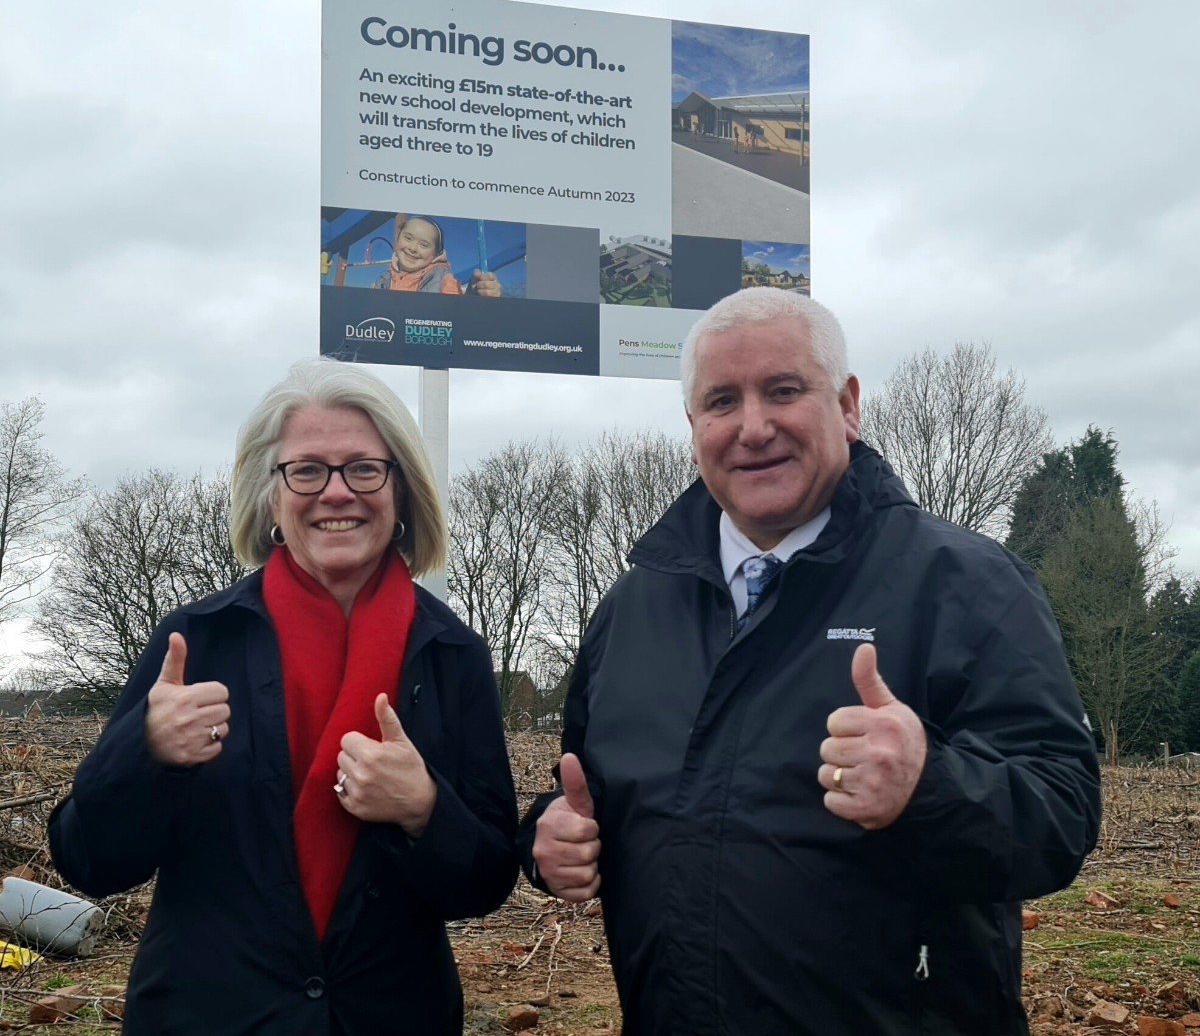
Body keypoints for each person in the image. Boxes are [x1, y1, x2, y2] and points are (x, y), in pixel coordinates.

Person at [519, 289, 1102, 1035]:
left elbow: (1062, 813)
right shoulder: (632, 607)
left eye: (784, 390)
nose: (753, 426)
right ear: (694, 426)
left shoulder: (966, 583)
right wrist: (548, 837)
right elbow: (581, 797)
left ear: (848, 404)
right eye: (722, 400)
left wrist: (930, 787)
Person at [50, 359, 518, 1035]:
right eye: (307, 469)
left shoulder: (454, 654)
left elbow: (487, 880)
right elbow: (87, 859)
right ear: (271, 495)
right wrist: (146, 752)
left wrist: (425, 811)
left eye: (364, 467)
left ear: (403, 490)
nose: (336, 492)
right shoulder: (196, 640)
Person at [373, 214, 501, 296]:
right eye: (408, 238)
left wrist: (473, 297)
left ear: (436, 255)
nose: (412, 248)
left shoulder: (443, 280)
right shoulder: (384, 278)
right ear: (398, 239)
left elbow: (456, 312)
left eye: (424, 245)